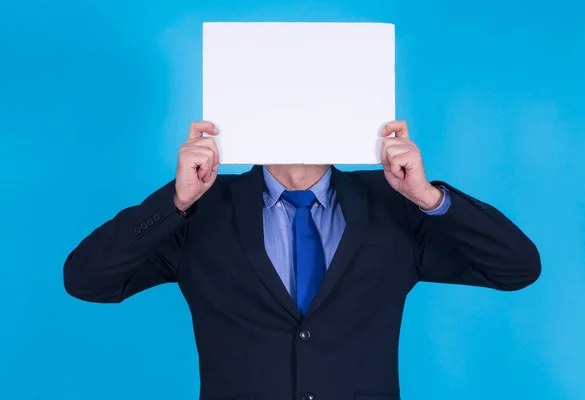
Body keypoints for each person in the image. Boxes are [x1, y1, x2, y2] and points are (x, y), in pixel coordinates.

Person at [63, 120, 541, 400]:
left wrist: (429, 196)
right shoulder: (202, 210)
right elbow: (87, 279)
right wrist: (175, 202)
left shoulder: (392, 204)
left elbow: (517, 267)